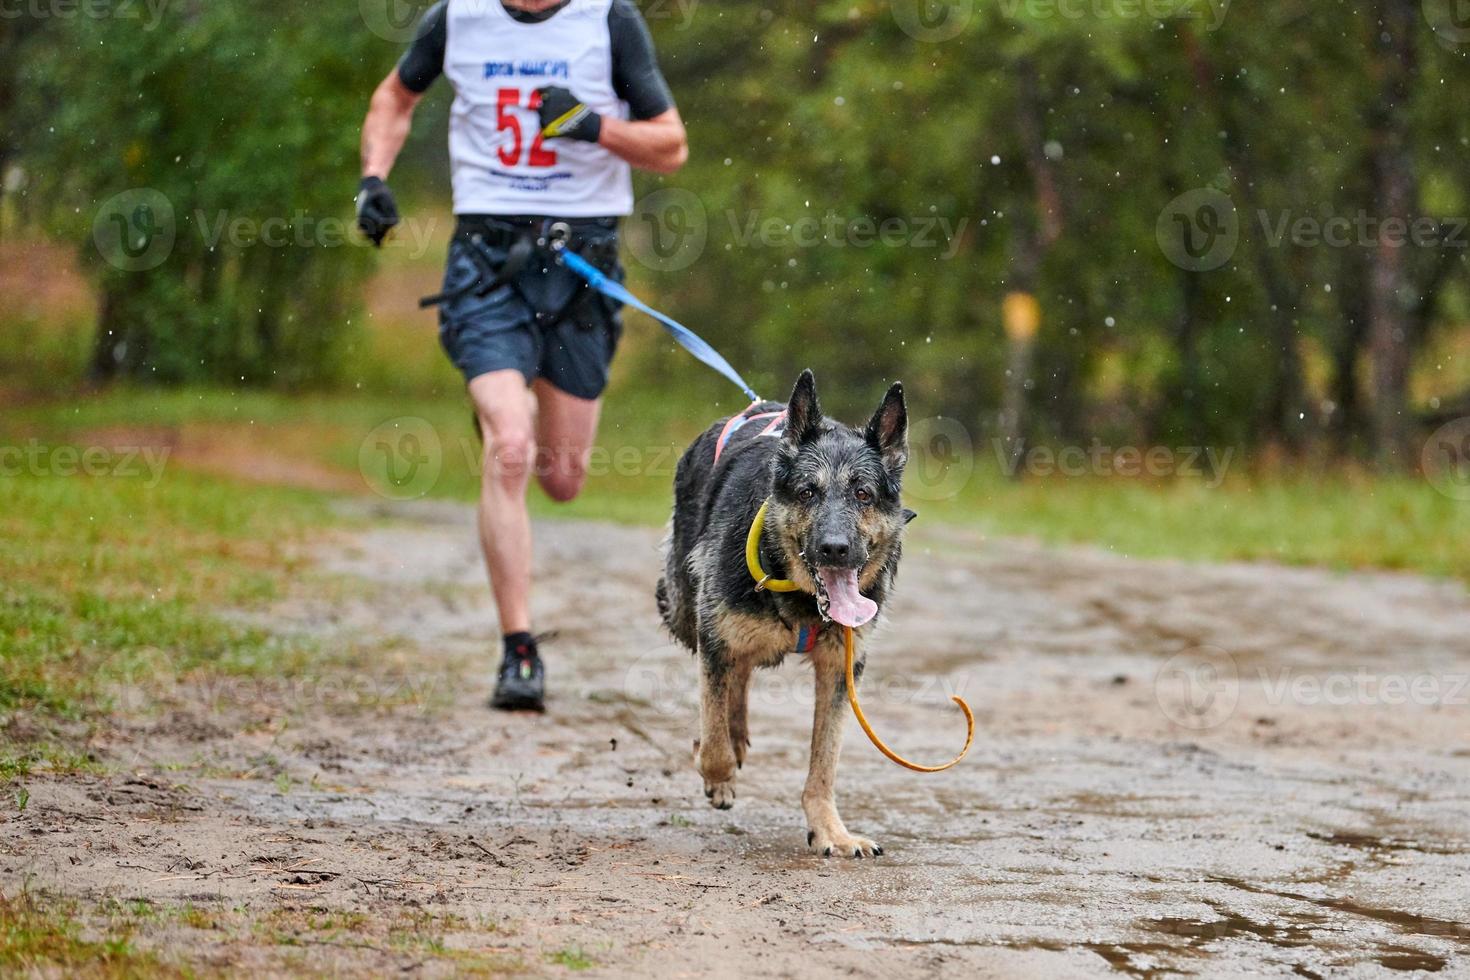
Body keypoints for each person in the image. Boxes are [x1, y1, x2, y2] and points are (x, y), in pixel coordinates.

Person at [356, 0, 687, 711]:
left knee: (562, 479)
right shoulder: (459, 17)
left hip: (582, 264)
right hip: (486, 264)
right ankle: (520, 652)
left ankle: (510, 403)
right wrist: (374, 178)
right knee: (510, 446)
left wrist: (592, 124)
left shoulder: (610, 21)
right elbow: (394, 95)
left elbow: (671, 145)